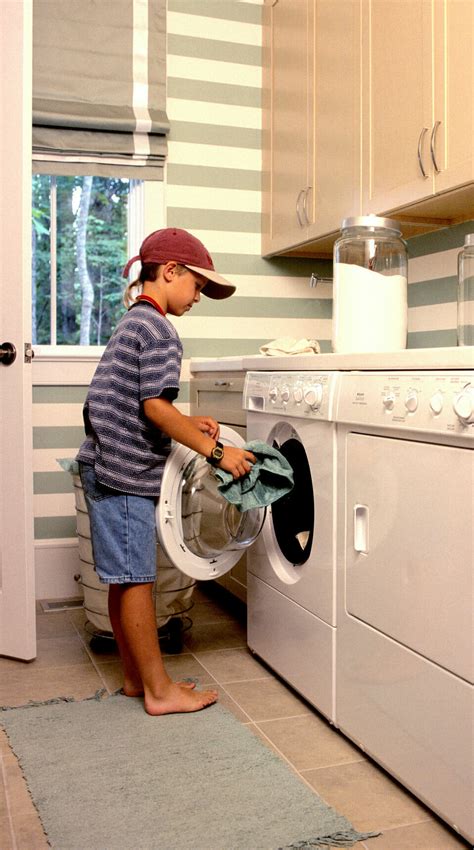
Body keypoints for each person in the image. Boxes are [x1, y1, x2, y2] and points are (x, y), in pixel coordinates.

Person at [76, 227, 256, 715]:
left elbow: (138, 402)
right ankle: (159, 691)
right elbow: (154, 408)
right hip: (124, 474)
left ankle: (137, 679)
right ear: (170, 271)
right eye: (197, 285)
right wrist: (217, 452)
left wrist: (188, 423)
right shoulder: (160, 330)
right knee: (138, 580)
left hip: (102, 465)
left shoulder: (134, 322)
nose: (198, 296)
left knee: (121, 579)